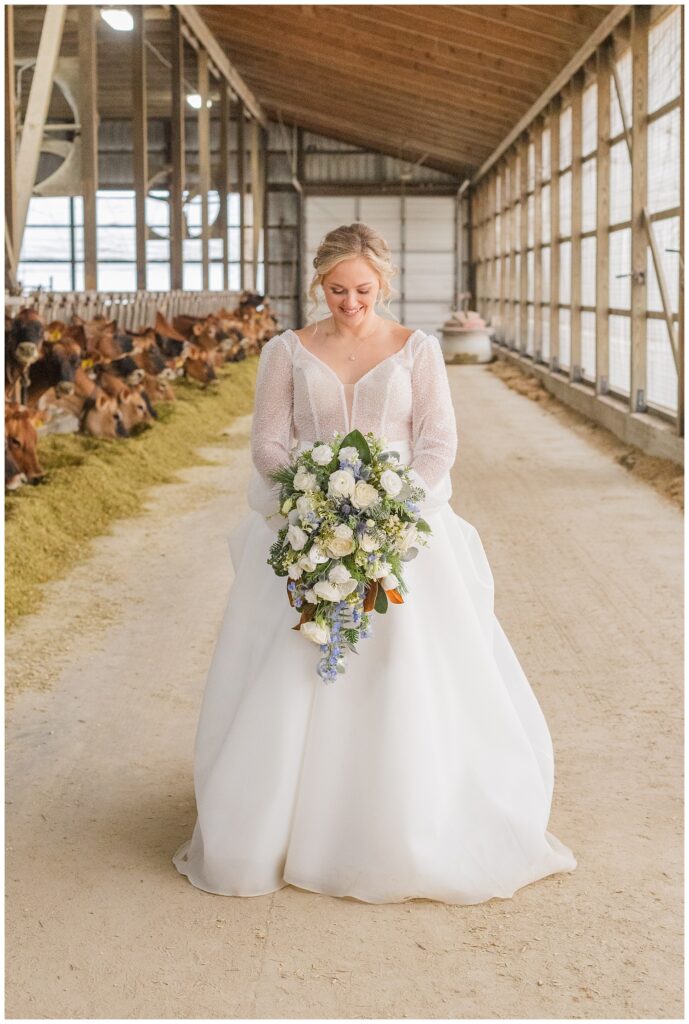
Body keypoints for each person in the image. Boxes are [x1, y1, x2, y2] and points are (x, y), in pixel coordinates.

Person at [172, 222, 577, 904]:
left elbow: (436, 441)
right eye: (335, 290)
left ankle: (402, 819)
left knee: (403, 669)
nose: (349, 302)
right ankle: (285, 822)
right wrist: (311, 486)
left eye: (361, 290)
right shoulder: (286, 350)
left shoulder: (416, 350)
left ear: (382, 284)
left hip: (401, 531)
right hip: (311, 525)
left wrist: (391, 509)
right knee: (298, 666)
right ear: (317, 284)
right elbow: (269, 441)